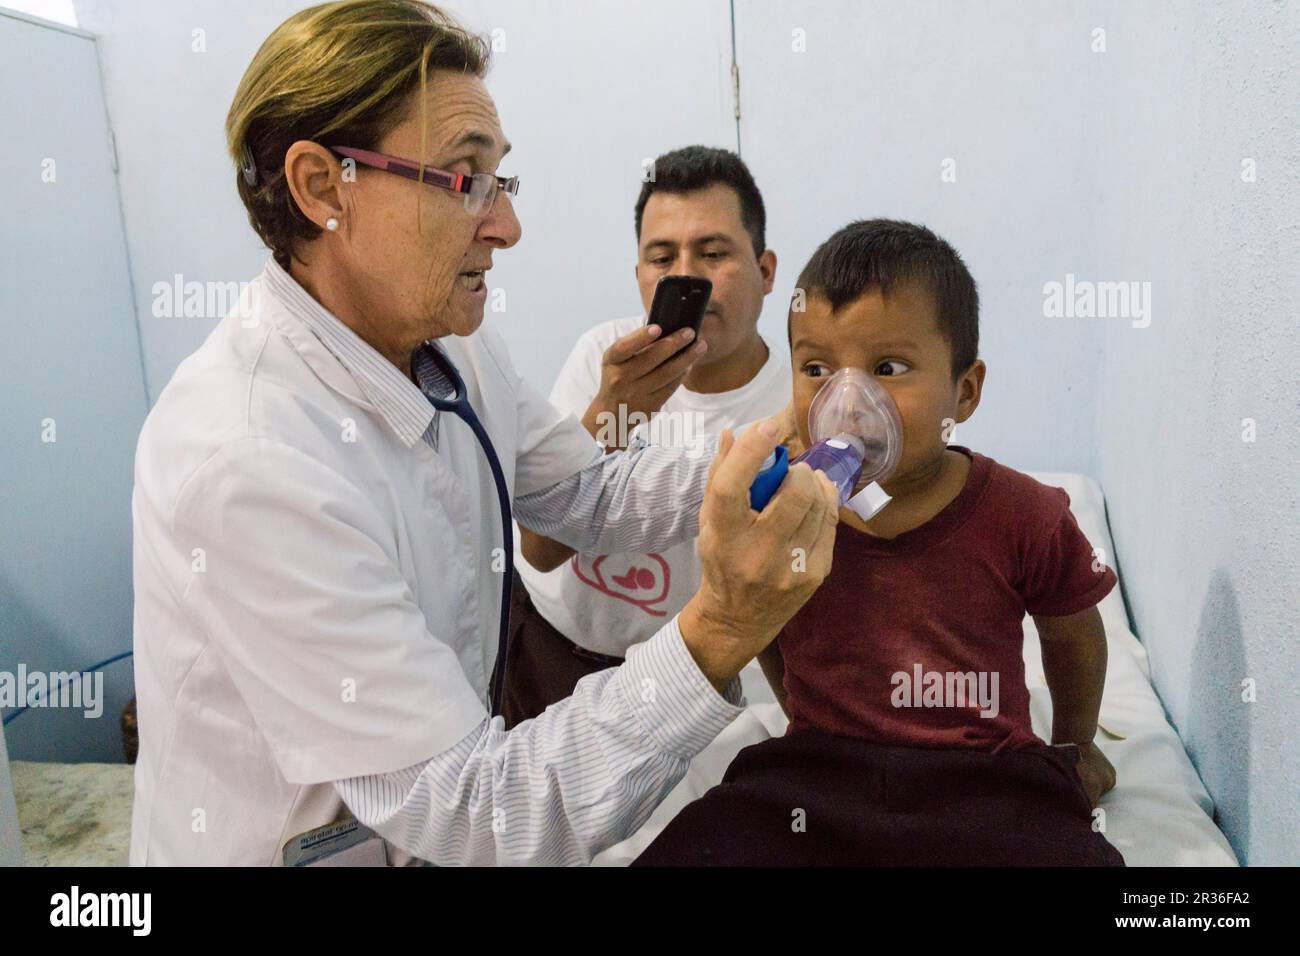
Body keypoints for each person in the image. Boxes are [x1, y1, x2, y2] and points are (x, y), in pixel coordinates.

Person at [128, 0, 838, 866]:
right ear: (323, 188)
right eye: (466, 179)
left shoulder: (449, 341)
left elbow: (584, 493)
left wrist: (780, 451)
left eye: (502, 180)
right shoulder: (244, 458)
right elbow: (476, 814)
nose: (507, 224)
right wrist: (720, 629)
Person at [635, 219, 1124, 866]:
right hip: (816, 777)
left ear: (965, 391)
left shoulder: (1022, 513)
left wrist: (1075, 748)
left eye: (888, 368)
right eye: (816, 368)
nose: (850, 401)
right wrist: (804, 716)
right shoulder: (786, 511)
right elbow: (764, 624)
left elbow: (1072, 631)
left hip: (985, 779)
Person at [501, 146, 789, 727]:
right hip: (543, 644)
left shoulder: (790, 405)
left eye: (713, 253)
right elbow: (540, 548)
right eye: (663, 257)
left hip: (672, 679)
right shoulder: (602, 359)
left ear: (765, 272)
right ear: (639, 276)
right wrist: (616, 411)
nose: (686, 275)